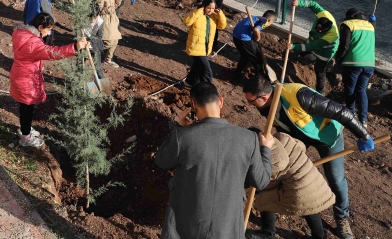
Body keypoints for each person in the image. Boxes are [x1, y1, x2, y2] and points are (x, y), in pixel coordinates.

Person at [244, 75, 375, 239]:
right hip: (298, 137)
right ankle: (267, 231)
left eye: (251, 101)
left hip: (327, 137)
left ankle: (342, 219)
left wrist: (363, 135)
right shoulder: (264, 105)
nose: (249, 105)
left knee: (335, 178)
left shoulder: (300, 95)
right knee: (283, 175)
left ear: (263, 97)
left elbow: (342, 112)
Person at [155, 82, 273, 239]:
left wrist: (180, 128)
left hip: (185, 226)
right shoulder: (248, 139)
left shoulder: (183, 136)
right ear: (221, 101)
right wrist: (265, 149)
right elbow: (261, 181)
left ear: (193, 105)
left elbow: (162, 161)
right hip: (227, 227)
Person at [10, 13, 88, 147]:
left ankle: (25, 129)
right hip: (26, 79)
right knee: (27, 108)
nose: (49, 33)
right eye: (48, 29)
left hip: (20, 74)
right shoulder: (32, 43)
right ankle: (25, 138)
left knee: (25, 107)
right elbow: (52, 53)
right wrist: (75, 47)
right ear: (40, 27)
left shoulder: (22, 33)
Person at [246, 132, 335, 239]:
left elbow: (265, 181)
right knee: (311, 205)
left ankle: (267, 234)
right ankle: (319, 237)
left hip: (299, 192)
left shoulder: (273, 156)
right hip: (316, 184)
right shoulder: (281, 137)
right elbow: (301, 145)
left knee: (265, 197)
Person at [334, 8, 375, 127]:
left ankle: (351, 116)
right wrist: (374, 22)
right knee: (361, 90)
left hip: (353, 63)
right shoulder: (370, 26)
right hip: (369, 64)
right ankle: (364, 119)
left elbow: (344, 45)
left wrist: (338, 59)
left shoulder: (347, 25)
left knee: (350, 89)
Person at [289, 0, 339, 94]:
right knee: (304, 50)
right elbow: (313, 4)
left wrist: (294, 46)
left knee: (319, 71)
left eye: (321, 30)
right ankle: (309, 58)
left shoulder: (330, 36)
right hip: (314, 43)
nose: (319, 31)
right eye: (318, 28)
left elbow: (312, 46)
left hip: (325, 52)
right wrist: (299, 3)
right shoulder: (323, 14)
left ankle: (320, 92)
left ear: (327, 29)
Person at [182, 0, 228, 87]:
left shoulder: (214, 16)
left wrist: (220, 14)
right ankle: (206, 89)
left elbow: (222, 26)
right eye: (208, 8)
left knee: (197, 66)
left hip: (205, 48)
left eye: (213, 8)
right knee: (207, 71)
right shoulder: (197, 14)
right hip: (196, 47)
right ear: (204, 6)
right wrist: (199, 11)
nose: (210, 10)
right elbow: (187, 22)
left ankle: (189, 82)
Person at [232, 10, 276, 81]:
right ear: (270, 20)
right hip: (243, 38)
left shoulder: (256, 18)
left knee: (245, 56)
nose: (270, 25)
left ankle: (237, 74)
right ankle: (259, 79)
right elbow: (256, 29)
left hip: (236, 36)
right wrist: (258, 37)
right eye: (271, 23)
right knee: (257, 59)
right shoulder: (265, 21)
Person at [94, 0, 123, 68]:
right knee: (109, 41)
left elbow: (115, 5)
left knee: (115, 40)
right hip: (105, 22)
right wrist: (111, 9)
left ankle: (108, 59)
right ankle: (94, 50)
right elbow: (99, 10)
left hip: (113, 21)